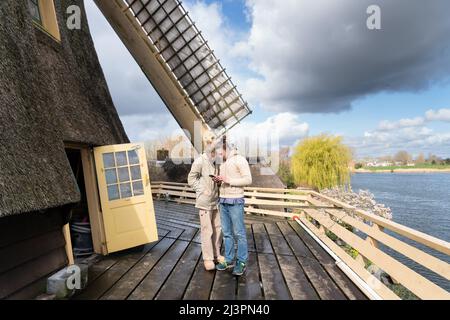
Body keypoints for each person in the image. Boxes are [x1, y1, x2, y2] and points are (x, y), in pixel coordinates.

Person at [213, 138, 252, 276]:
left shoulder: (239, 159)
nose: (218, 156)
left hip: (235, 201)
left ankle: (241, 261)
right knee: (227, 233)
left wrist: (229, 181)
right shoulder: (222, 163)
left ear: (226, 149)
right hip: (223, 201)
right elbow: (224, 181)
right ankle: (228, 259)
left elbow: (248, 179)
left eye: (219, 153)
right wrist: (218, 181)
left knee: (239, 233)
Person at [187, 136, 224, 271]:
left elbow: (217, 180)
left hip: (215, 201)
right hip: (204, 202)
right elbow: (191, 180)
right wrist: (202, 189)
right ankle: (208, 259)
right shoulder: (199, 161)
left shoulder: (217, 162)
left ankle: (216, 254)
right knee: (207, 231)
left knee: (217, 229)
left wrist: (219, 182)